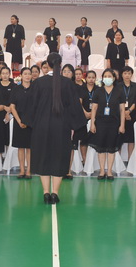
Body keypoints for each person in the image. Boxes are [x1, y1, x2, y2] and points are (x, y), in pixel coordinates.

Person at [23, 52, 85, 203]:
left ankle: (46, 192)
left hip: (42, 126)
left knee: (43, 156)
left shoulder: (39, 83)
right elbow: (75, 107)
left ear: (47, 64)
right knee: (59, 157)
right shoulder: (68, 83)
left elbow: (31, 107)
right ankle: (55, 192)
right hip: (62, 127)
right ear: (60, 64)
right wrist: (74, 124)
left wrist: (32, 122)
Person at [89, 68, 126, 180]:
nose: (107, 78)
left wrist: (122, 125)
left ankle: (109, 171)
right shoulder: (98, 91)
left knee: (111, 148)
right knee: (100, 148)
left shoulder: (119, 91)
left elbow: (122, 110)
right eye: (105, 76)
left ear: (114, 78)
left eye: (110, 76)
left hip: (114, 123)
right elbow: (94, 108)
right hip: (100, 123)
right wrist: (92, 124)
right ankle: (102, 171)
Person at [10, 67, 34, 178]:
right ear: (21, 76)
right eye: (25, 74)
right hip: (18, 121)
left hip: (31, 122)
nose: (27, 76)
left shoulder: (35, 89)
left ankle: (28, 170)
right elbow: (12, 106)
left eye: (29, 74)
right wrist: (19, 121)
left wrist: (28, 121)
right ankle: (21, 170)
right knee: (20, 147)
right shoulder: (16, 89)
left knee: (29, 147)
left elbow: (37, 106)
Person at [119, 66, 136, 162]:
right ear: (122, 75)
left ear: (132, 75)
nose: (127, 75)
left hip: (132, 114)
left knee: (131, 138)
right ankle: (118, 161)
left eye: (129, 73)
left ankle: (130, 160)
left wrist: (129, 111)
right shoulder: (118, 86)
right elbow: (116, 100)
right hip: (120, 114)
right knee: (119, 138)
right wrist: (124, 112)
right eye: (125, 73)